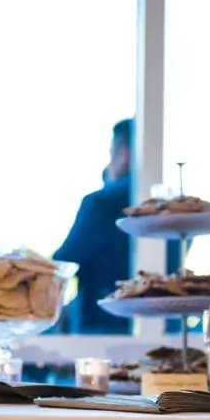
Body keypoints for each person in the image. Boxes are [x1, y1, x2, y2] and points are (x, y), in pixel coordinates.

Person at [53, 119, 137, 334]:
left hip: (101, 329)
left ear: (124, 154)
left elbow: (64, 261)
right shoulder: (172, 211)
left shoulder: (102, 203)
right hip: (166, 328)